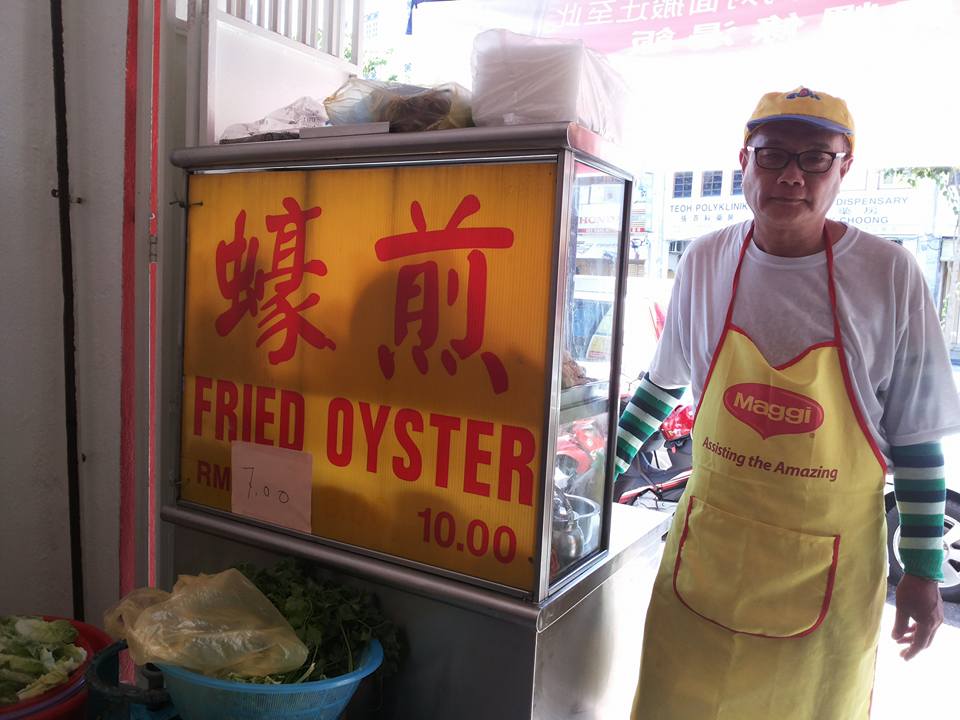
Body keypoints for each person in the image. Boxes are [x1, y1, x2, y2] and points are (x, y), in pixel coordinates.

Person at [617, 87, 960, 719]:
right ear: (744, 160)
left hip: (829, 577)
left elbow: (916, 439)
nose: (792, 175)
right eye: (773, 154)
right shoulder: (705, 259)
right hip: (708, 558)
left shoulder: (890, 274)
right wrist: (602, 473)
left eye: (816, 157)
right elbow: (661, 387)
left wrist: (921, 568)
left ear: (844, 167)